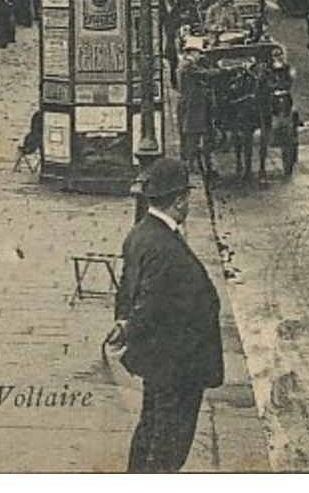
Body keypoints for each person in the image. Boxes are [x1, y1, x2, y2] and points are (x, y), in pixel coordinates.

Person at [107, 158, 224, 473]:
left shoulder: (139, 234)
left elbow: (127, 287)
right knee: (169, 444)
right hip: (177, 363)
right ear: (180, 200)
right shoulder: (166, 248)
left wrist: (124, 323)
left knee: (151, 430)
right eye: (187, 197)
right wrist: (131, 327)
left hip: (160, 360)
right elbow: (150, 302)